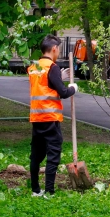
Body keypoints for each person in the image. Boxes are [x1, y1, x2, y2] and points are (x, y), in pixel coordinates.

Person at [28, 36, 77, 196]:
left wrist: (58, 79)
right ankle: (49, 191)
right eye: (59, 50)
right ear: (54, 48)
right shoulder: (52, 67)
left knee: (36, 155)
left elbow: (43, 85)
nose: (59, 53)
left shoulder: (34, 66)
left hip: (37, 118)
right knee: (53, 154)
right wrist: (73, 88)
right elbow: (62, 93)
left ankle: (35, 190)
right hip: (50, 117)